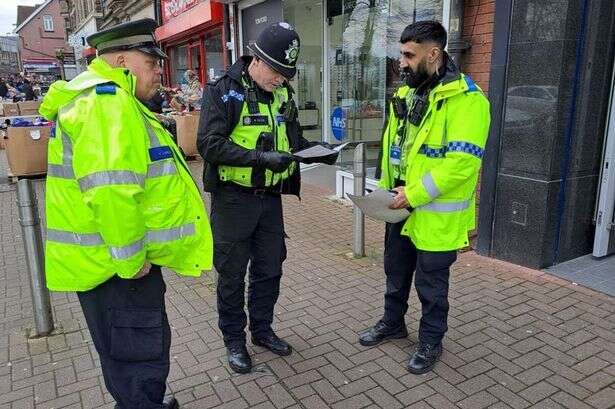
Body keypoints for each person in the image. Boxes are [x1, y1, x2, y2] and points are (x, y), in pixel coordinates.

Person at [39, 18, 213, 408]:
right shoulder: (107, 104)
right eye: (151, 62)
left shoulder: (104, 100)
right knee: (139, 362)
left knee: (132, 359)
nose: (159, 71)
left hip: (107, 264)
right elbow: (113, 192)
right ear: (120, 62)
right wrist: (132, 260)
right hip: (120, 269)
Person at [198, 22, 338, 374]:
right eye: (277, 71)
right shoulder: (223, 91)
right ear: (256, 60)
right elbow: (208, 145)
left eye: (287, 73)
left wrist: (321, 152)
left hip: (269, 201)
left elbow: (293, 143)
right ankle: (234, 340)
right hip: (233, 201)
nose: (281, 79)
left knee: (270, 269)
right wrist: (260, 159)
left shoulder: (283, 94)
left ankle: (262, 331)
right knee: (231, 275)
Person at [358, 20, 490, 374]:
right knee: (395, 272)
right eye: (401, 54)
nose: (401, 62)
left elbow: (461, 165)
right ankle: (392, 322)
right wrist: (386, 191)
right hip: (399, 206)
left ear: (434, 54)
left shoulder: (468, 101)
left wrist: (413, 194)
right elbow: (396, 148)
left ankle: (431, 342)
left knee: (431, 286)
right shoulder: (406, 93)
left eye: (408, 55)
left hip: (434, 215)